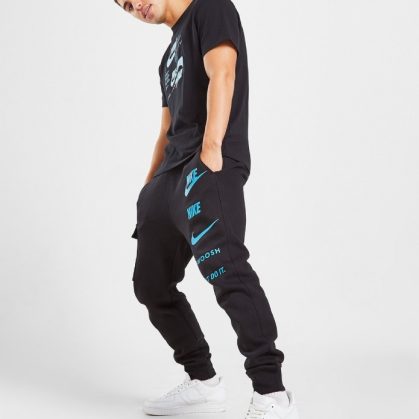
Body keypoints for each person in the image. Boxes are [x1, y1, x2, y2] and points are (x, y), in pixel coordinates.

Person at [114, 1, 300, 417]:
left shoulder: (210, 9)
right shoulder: (167, 58)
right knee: (150, 285)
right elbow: (165, 128)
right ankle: (202, 381)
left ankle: (271, 391)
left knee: (226, 270)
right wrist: (148, 187)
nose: (135, 7)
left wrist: (212, 150)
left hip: (204, 166)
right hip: (168, 179)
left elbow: (223, 72)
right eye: (126, 7)